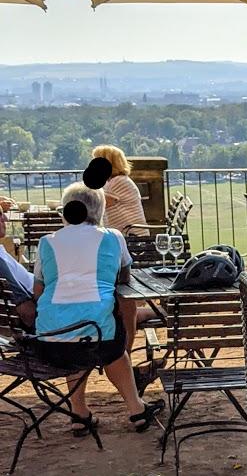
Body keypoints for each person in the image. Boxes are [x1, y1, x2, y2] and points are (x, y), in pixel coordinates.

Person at [32, 180, 163, 434]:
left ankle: (79, 411)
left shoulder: (47, 242)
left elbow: (38, 290)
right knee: (108, 343)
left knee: (77, 335)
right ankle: (136, 409)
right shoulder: (113, 237)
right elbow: (125, 276)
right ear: (99, 210)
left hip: (50, 340)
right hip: (98, 338)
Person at [92, 145, 149, 236]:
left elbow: (98, 203)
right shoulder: (113, 181)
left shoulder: (118, 181)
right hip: (123, 234)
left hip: (131, 235)